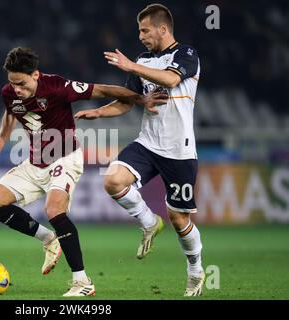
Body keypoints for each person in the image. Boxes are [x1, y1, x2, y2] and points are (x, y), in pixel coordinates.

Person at [0, 47, 168, 297]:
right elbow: (10, 112)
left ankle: (82, 282)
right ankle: (48, 239)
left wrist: (140, 99)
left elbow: (103, 89)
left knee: (54, 210)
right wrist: (1, 142)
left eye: (22, 84)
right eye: (13, 84)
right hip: (35, 164)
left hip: (65, 159)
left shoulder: (57, 87)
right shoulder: (9, 92)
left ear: (36, 75)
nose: (17, 90)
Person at [75, 3, 205, 296]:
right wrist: (99, 113)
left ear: (162, 29)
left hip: (179, 149)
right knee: (112, 180)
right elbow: (127, 101)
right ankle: (148, 221)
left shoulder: (186, 54)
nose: (141, 36)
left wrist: (130, 66)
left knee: (179, 219)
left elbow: (172, 79)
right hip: (147, 143)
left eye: (145, 30)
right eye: (139, 31)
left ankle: (195, 269)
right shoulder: (143, 59)